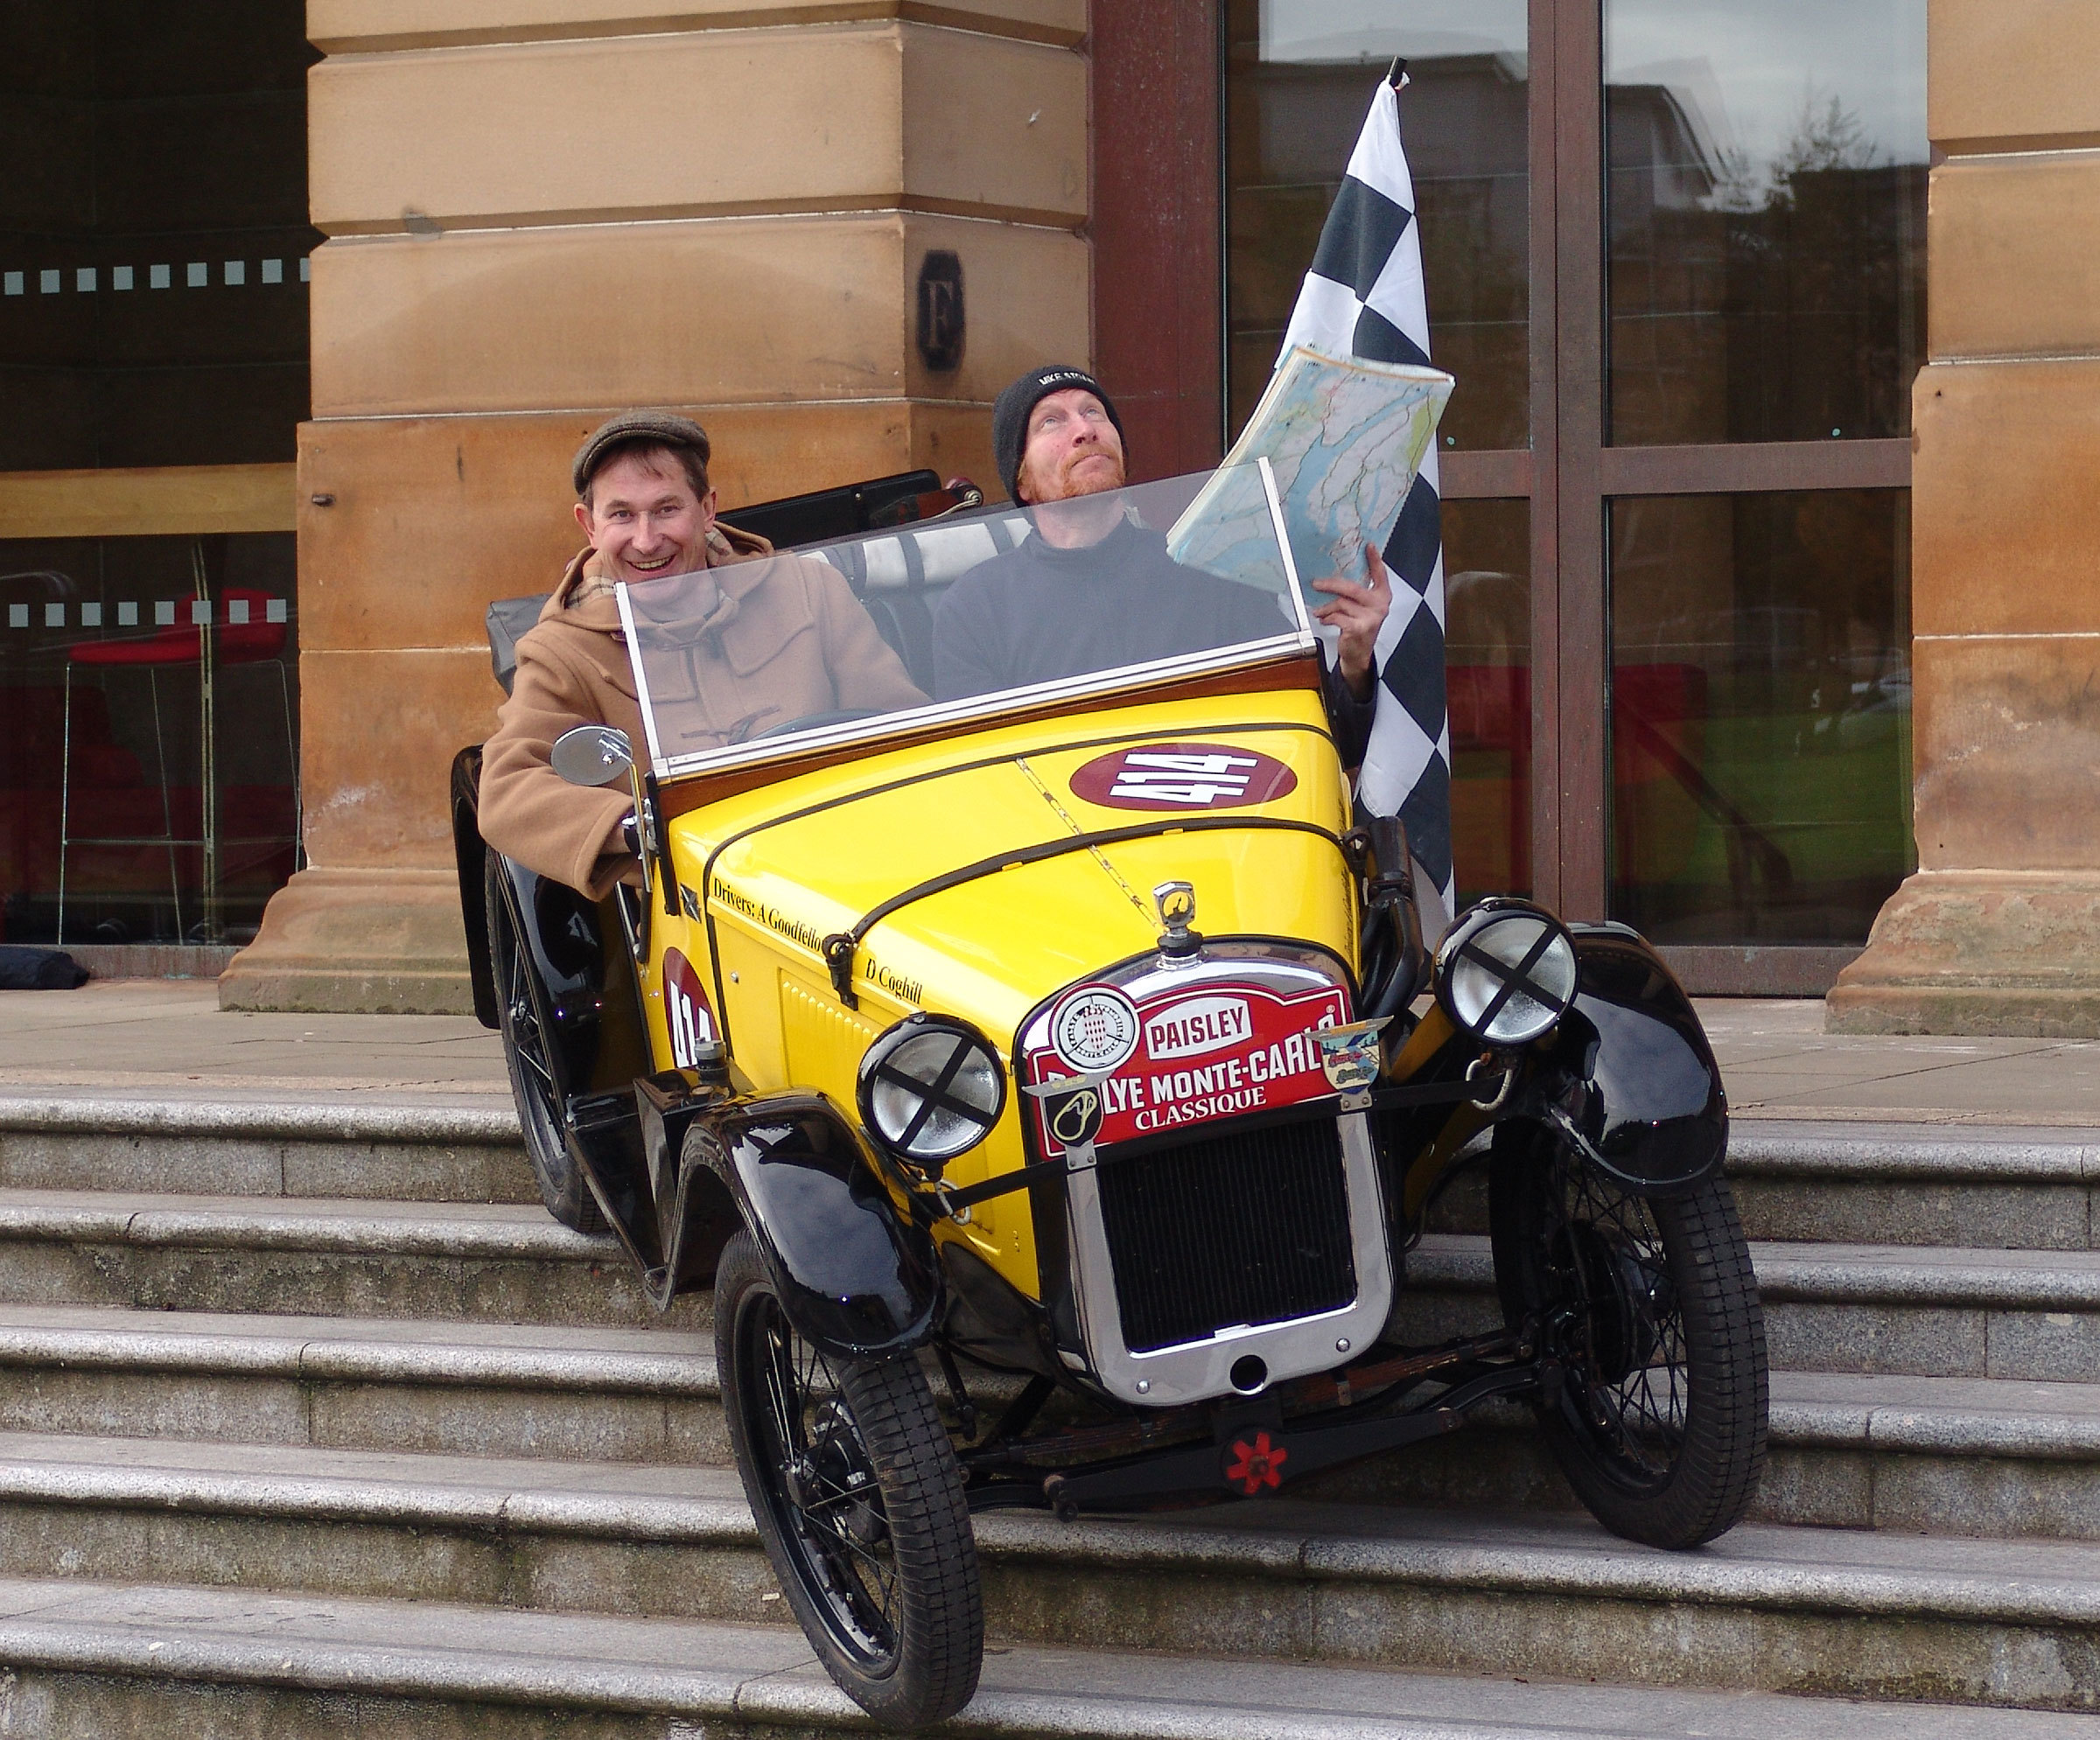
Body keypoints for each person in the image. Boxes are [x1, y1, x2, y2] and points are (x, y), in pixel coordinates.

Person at [479, 412, 924, 898]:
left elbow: (904, 725)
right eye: (622, 515)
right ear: (589, 526)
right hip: (687, 909)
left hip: (851, 866)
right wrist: (636, 827)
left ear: (708, 509)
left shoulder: (809, 589)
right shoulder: (559, 649)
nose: (646, 540)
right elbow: (506, 789)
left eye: (667, 509)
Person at [931, 366, 1393, 763]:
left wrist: (1354, 665)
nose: (1084, 429)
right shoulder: (975, 607)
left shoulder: (1209, 571)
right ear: (1022, 480)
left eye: (1094, 411)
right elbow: (976, 778)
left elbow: (1317, 744)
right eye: (1051, 421)